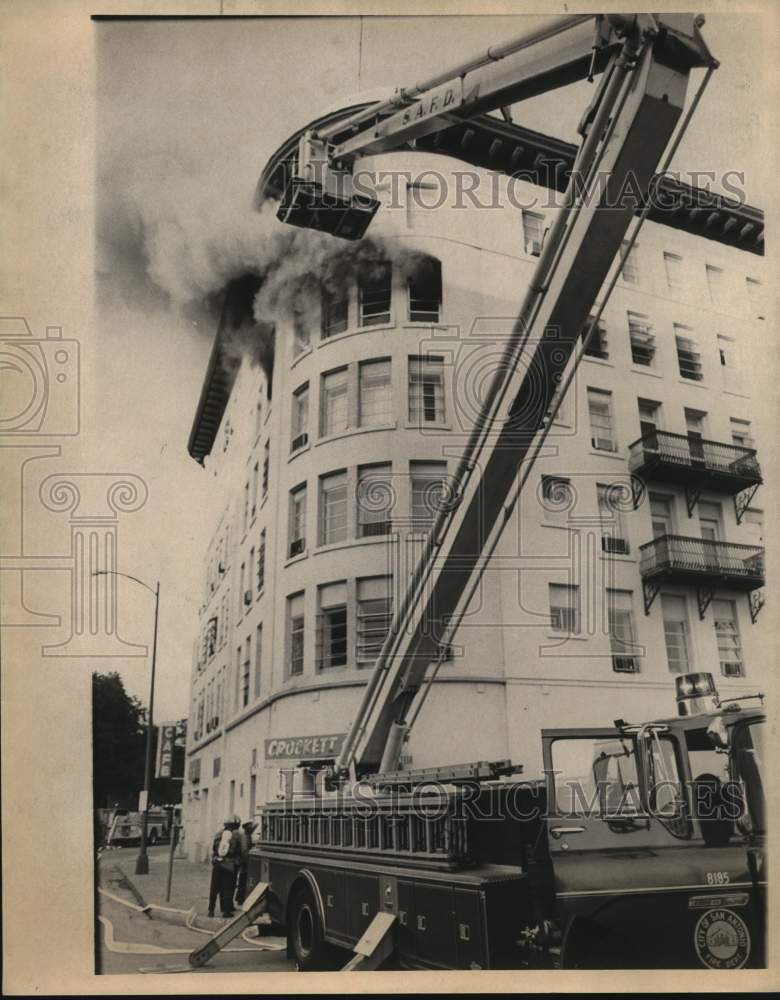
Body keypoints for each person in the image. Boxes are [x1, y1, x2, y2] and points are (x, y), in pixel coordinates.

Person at [207, 815, 241, 918]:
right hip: (229, 865)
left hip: (217, 863)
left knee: (214, 888)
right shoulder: (236, 835)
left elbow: (214, 848)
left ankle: (211, 910)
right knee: (227, 888)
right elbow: (238, 850)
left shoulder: (218, 834)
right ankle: (226, 911)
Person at [234, 820, 256, 907]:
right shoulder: (245, 837)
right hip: (244, 862)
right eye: (250, 826)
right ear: (246, 827)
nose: (252, 828)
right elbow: (244, 851)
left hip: (245, 861)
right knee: (243, 880)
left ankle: (241, 898)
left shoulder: (247, 836)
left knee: (243, 880)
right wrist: (247, 861)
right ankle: (240, 899)